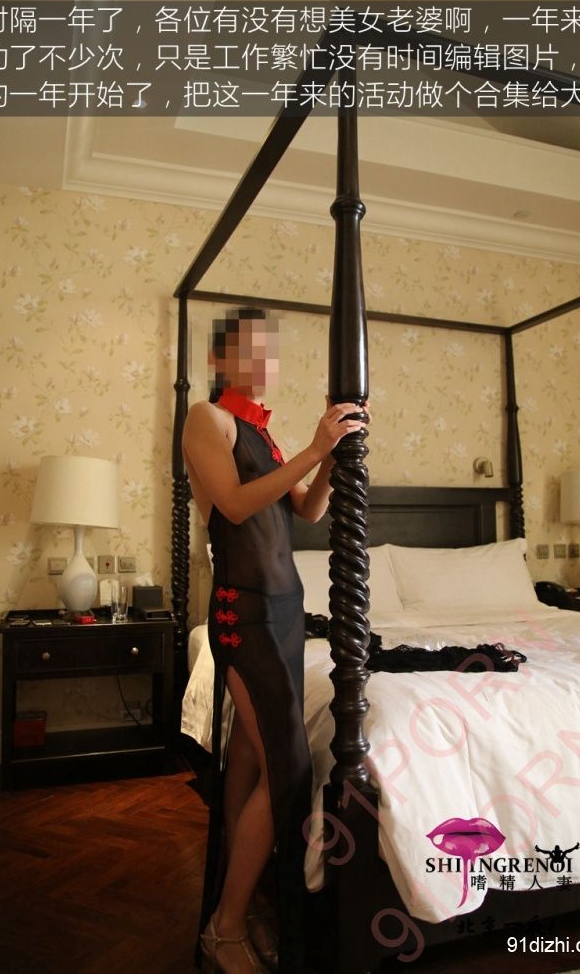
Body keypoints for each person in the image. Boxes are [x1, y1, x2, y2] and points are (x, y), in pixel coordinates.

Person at [182, 308, 367, 974]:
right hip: (247, 612)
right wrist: (314, 450)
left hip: (289, 612)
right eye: (249, 350)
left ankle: (239, 894)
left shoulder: (263, 431)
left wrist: (331, 455)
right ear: (219, 360)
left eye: (270, 352)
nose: (263, 363)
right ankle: (226, 928)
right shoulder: (207, 419)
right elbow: (234, 506)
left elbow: (309, 510)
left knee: (251, 760)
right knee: (288, 770)